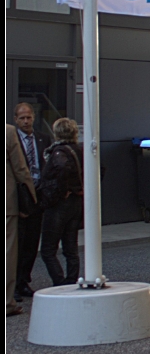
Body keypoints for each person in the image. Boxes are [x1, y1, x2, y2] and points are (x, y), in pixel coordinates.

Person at [38, 118, 84, 287]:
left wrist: (60, 191)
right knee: (70, 246)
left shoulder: (58, 152)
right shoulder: (80, 150)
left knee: (48, 249)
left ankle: (60, 282)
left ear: (56, 133)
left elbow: (61, 168)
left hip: (60, 204)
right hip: (76, 202)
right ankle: (71, 280)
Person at [13, 103, 51, 301]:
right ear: (15, 120)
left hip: (38, 195)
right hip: (19, 196)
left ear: (34, 117)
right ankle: (14, 284)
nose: (26, 121)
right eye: (22, 118)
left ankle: (24, 281)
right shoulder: (11, 140)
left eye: (28, 117)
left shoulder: (43, 138)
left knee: (31, 242)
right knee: (16, 244)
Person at [6, 124, 36, 316]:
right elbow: (20, 168)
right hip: (7, 202)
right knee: (8, 251)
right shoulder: (8, 132)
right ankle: (7, 302)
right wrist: (31, 199)